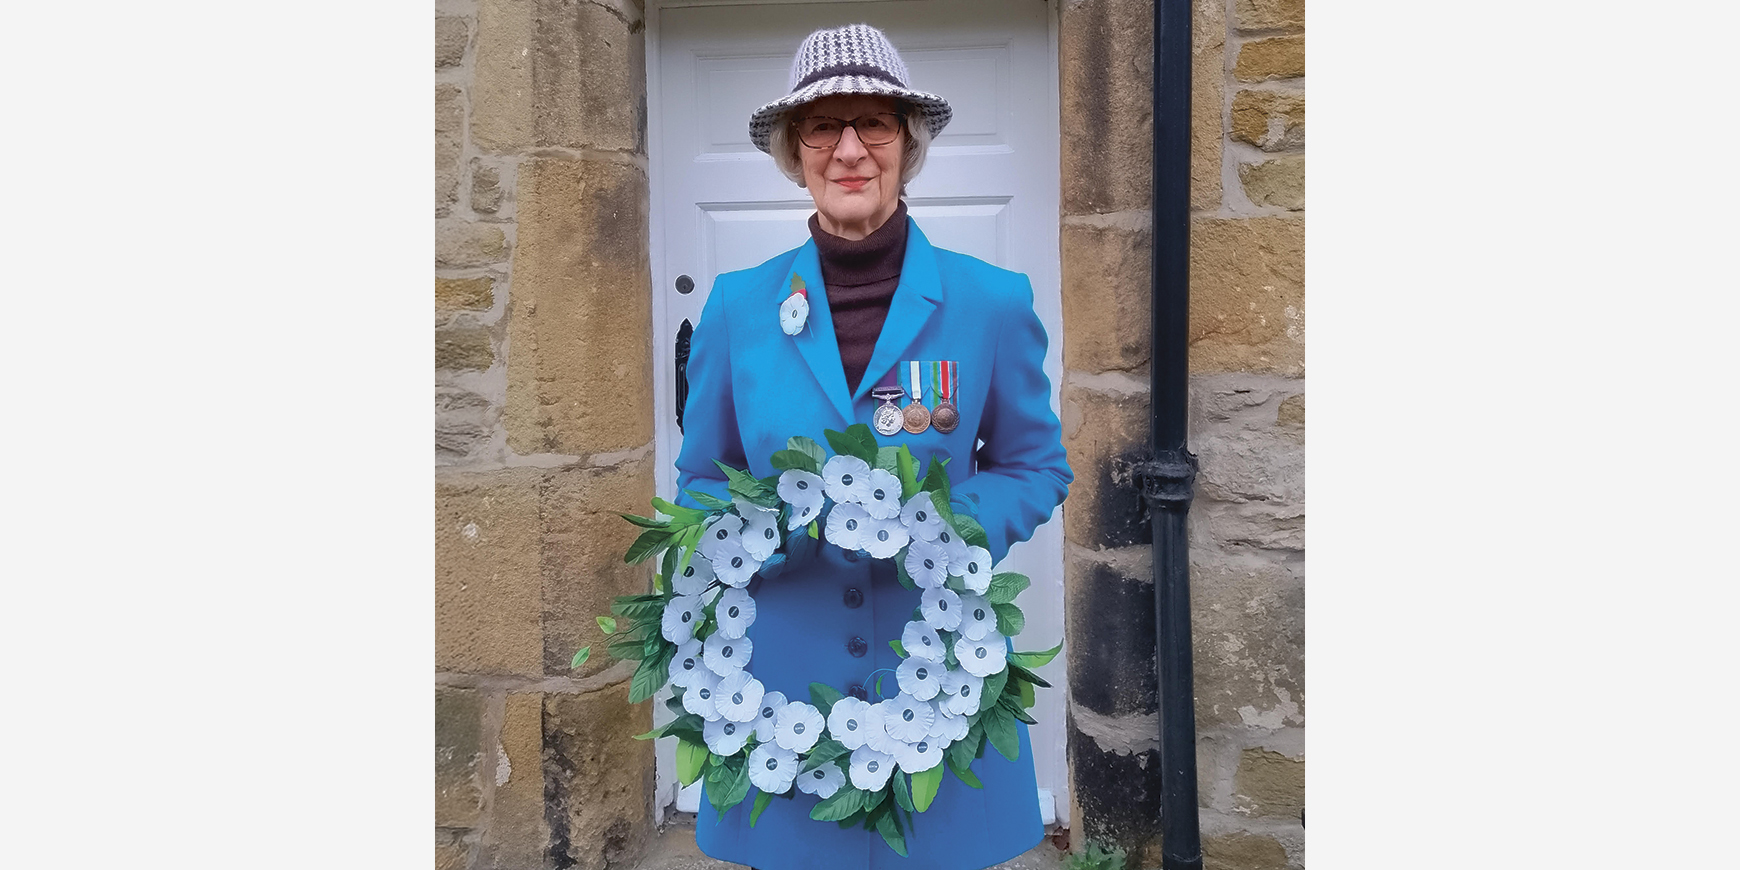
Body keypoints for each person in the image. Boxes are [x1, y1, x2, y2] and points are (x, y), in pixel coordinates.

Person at [674, 23, 1073, 870]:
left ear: (908, 145)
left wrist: (940, 526)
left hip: (941, 669)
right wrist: (756, 531)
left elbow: (1035, 466)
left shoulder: (992, 302)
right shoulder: (738, 307)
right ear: (794, 152)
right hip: (775, 683)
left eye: (875, 125)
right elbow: (704, 480)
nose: (850, 150)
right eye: (823, 126)